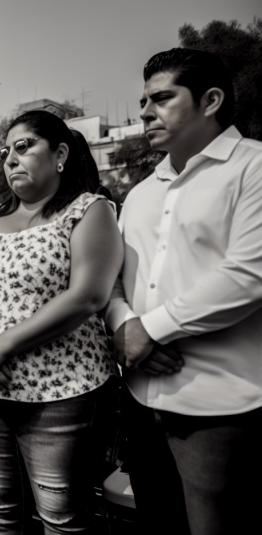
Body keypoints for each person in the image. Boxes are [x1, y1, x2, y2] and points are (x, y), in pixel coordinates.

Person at [106, 48, 262, 535]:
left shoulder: (252, 169)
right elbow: (114, 283)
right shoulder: (141, 193)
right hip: (140, 396)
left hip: (219, 403)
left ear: (210, 100)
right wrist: (124, 328)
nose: (145, 112)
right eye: (143, 101)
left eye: (162, 98)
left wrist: (147, 330)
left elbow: (248, 274)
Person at [0, 110, 123, 534]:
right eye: (7, 151)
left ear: (60, 153)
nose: (10, 159)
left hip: (60, 395)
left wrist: (1, 346)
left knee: (61, 521)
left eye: (25, 147)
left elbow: (89, 295)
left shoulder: (89, 210)